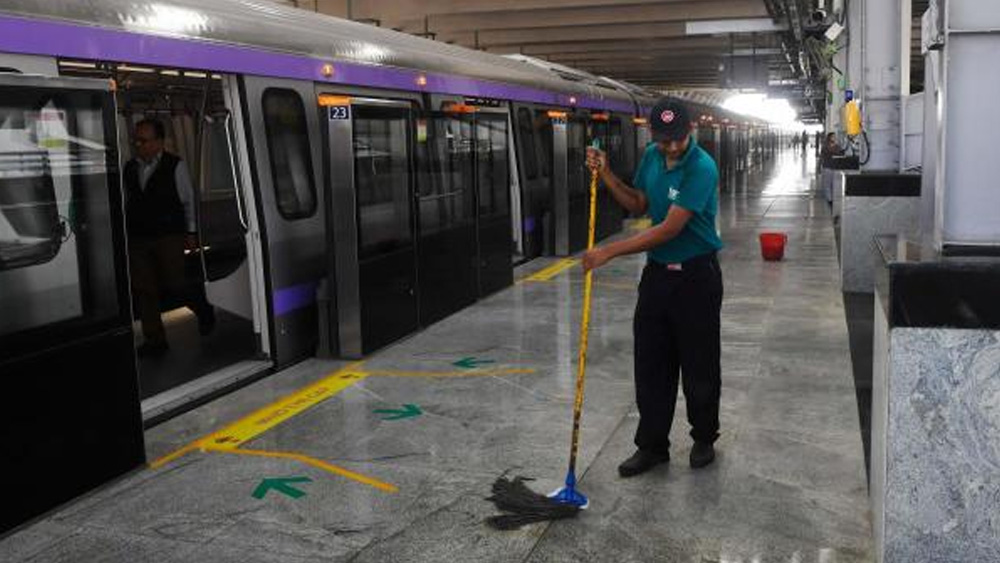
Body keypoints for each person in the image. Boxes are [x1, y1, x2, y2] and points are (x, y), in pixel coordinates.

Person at [583, 98, 724, 477]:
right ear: (652, 135)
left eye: (678, 138)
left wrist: (608, 251)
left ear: (690, 130)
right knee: (651, 363)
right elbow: (638, 203)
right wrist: (607, 173)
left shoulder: (702, 167)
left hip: (697, 277)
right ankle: (652, 446)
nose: (672, 147)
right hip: (658, 276)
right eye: (664, 140)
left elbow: (669, 229)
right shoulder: (651, 156)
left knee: (699, 363)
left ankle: (704, 437)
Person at [125, 118, 214, 358]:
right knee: (144, 289)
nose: (138, 145)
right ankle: (155, 339)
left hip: (169, 234)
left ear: (159, 142)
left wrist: (191, 233)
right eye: (136, 141)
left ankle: (203, 309)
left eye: (144, 140)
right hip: (139, 237)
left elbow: (188, 201)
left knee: (175, 283)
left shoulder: (175, 165)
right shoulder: (130, 168)